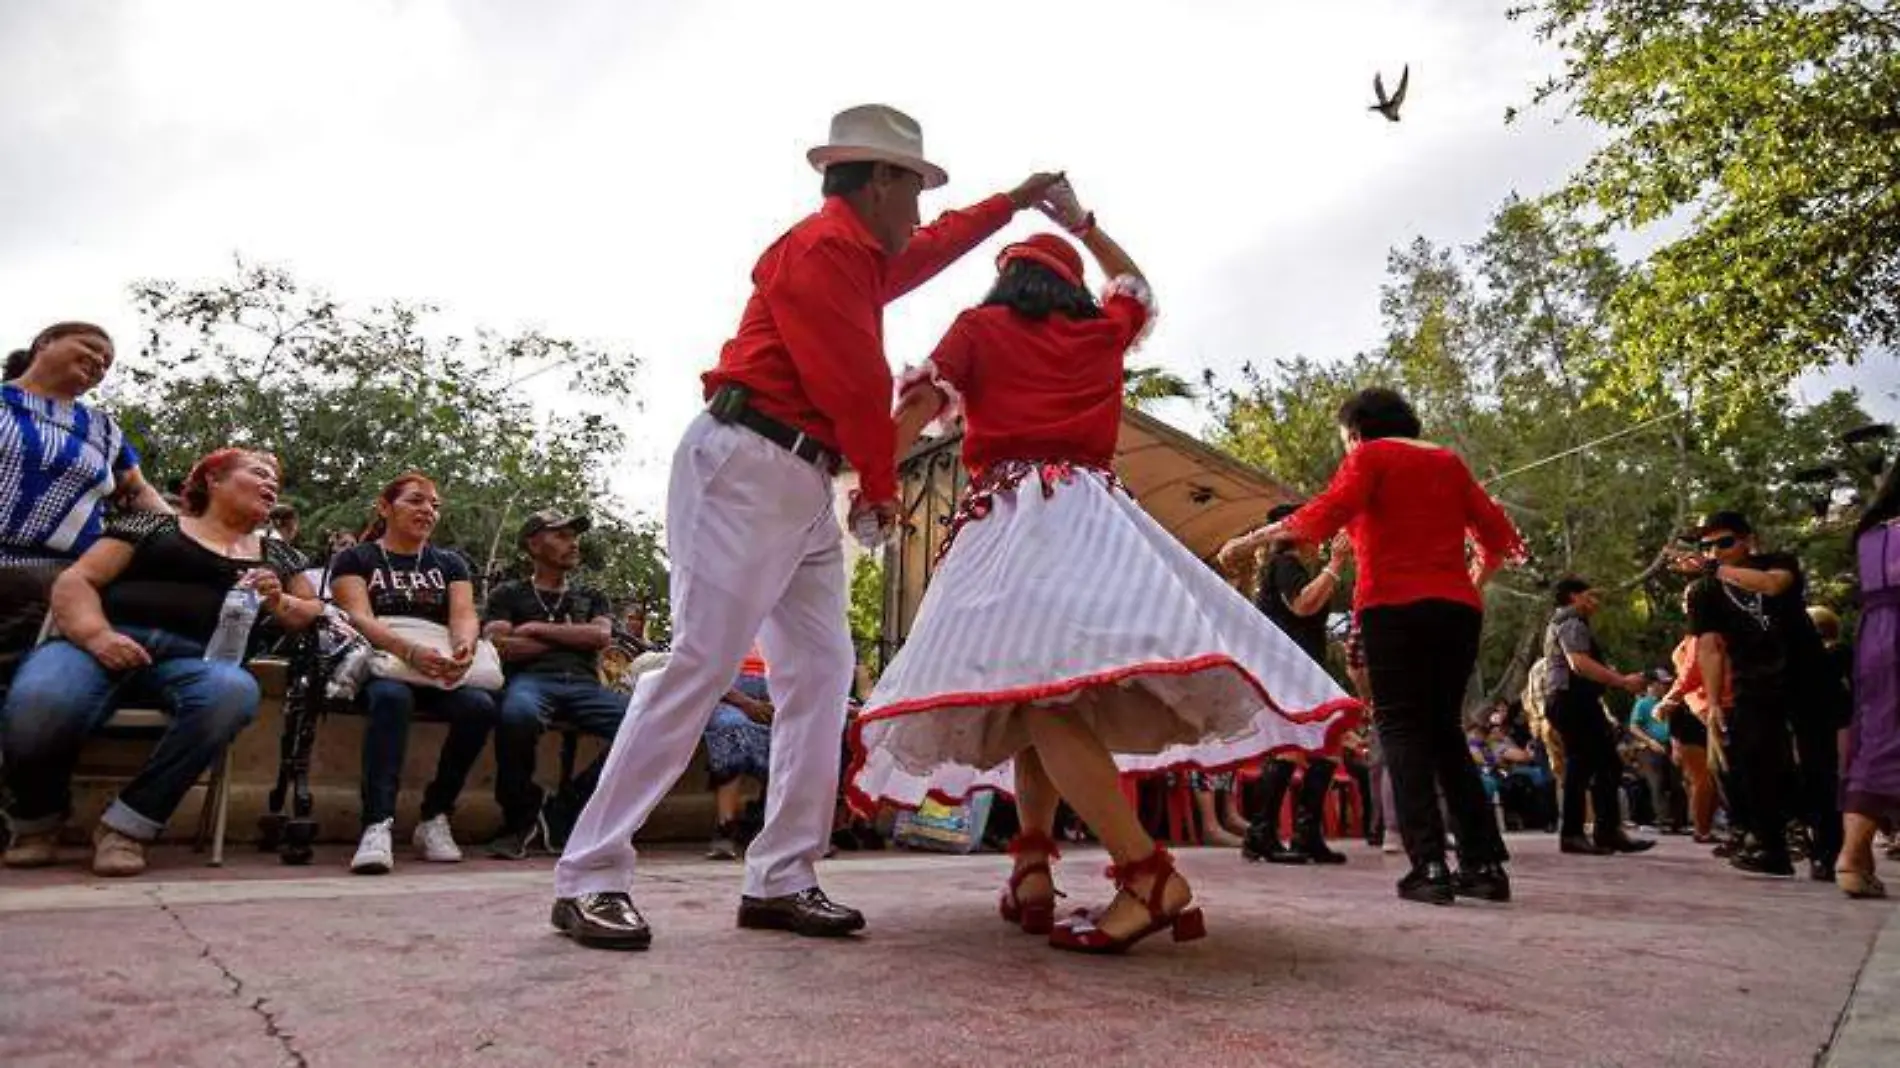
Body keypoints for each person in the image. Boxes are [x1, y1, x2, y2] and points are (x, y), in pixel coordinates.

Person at [550, 103, 1066, 950]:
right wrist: (881, 494)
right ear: (882, 181)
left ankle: (783, 875)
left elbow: (930, 254)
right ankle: (590, 873)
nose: (924, 210)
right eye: (917, 189)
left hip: (799, 475)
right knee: (701, 662)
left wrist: (1012, 200)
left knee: (824, 671)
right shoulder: (825, 251)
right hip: (748, 461)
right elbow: (857, 385)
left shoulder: (864, 255)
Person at [850, 183, 1357, 955]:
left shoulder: (980, 327)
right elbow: (1137, 288)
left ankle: (1148, 874)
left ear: (1007, 280)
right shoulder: (1100, 333)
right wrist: (1083, 223)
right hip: (1095, 520)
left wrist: (877, 490)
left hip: (1011, 520)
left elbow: (917, 409)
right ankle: (1031, 867)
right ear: (1069, 285)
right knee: (1038, 698)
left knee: (1040, 699)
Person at [1222, 387, 1524, 906]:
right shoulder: (1451, 463)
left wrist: (1247, 542)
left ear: (1357, 431)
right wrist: (1468, 587)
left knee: (1401, 728)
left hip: (1392, 607)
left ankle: (1428, 865)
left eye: (1345, 440)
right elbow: (1499, 540)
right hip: (1456, 611)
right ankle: (1484, 865)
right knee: (1445, 732)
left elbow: (1322, 514)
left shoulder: (1371, 456)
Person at [1, 449, 317, 874]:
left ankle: (127, 827)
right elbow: (78, 579)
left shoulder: (278, 555)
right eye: (258, 472)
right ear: (213, 480)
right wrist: (97, 636)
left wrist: (279, 599)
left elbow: (312, 613)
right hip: (100, 644)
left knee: (233, 691)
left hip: (196, 662)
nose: (271, 484)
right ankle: (37, 823)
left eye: (275, 480)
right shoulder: (153, 524)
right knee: (41, 699)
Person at [330, 472, 502, 875]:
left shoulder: (450, 563)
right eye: (416, 501)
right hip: (387, 662)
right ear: (385, 507)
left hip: (438, 666)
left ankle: (435, 816)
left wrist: (463, 648)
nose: (428, 510)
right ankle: (377, 823)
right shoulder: (357, 559)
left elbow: (464, 615)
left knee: (478, 706)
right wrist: (408, 651)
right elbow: (357, 616)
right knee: (391, 698)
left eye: (434, 505)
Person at [2, 323, 170, 682]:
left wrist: (189, 537)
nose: (100, 362)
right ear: (44, 343)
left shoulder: (103, 430)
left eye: (107, 361)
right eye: (90, 347)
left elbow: (138, 492)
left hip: (57, 583)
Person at [483, 510, 628, 857]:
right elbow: (501, 645)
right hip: (531, 681)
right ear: (534, 544)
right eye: (560, 535)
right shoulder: (509, 594)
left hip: (584, 685)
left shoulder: (591, 595)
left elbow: (600, 635)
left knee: (645, 726)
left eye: (573, 536)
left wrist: (533, 629)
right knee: (517, 716)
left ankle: (563, 809)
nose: (572, 542)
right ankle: (519, 819)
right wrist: (571, 637)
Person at [1675, 511, 1809, 877]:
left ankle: (1825, 847)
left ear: (1747, 539)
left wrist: (1714, 569)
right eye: (1708, 546)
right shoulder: (1704, 591)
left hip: (1804, 674)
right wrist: (1715, 702)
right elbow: (1708, 648)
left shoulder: (1778, 563)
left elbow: (1772, 585)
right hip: (1752, 682)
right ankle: (1771, 847)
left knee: (1813, 760)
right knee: (1754, 762)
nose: (1715, 551)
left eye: (1724, 542)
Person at [1237, 505, 1352, 865]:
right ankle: (1261, 834)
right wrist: (1336, 564)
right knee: (1292, 748)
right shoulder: (1284, 565)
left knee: (1329, 745)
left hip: (1303, 669)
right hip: (1288, 670)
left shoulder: (1292, 568)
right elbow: (1302, 605)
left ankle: (1305, 835)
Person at [1542, 578, 1654, 855]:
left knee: (1607, 764)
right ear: (1573, 597)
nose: (1595, 603)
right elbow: (1578, 663)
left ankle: (1606, 831)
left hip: (1576, 701)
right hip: (1572, 700)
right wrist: (1622, 681)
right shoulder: (1572, 622)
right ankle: (1574, 833)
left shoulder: (1567, 622)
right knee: (1582, 765)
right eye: (1590, 596)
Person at [1839, 472, 1900, 898]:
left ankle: (1855, 859)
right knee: (1890, 741)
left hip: (1875, 633)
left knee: (1875, 737)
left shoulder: (1871, 533)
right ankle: (1853, 853)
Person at [703, 644, 775, 860]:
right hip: (728, 696)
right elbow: (705, 671)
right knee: (731, 727)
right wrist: (745, 702)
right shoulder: (722, 620)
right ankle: (726, 827)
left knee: (800, 733)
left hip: (776, 694)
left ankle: (768, 822)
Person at [1629, 673, 1684, 832]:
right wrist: (1650, 742)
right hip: (1650, 747)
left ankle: (1678, 821)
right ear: (1652, 685)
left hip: (1670, 745)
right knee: (1657, 782)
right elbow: (1634, 727)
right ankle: (1663, 820)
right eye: (1662, 683)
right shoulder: (1643, 703)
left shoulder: (1668, 702)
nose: (1665, 687)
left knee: (1676, 783)